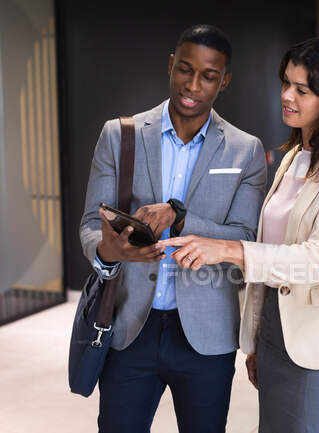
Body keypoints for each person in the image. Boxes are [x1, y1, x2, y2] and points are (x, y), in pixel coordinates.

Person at [159, 37, 319, 432]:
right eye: (285, 83)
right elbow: (272, 253)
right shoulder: (293, 158)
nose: (287, 96)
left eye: (302, 90)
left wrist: (228, 250)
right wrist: (256, 341)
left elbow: (317, 260)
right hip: (276, 338)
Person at [79, 24, 267, 433]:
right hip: (129, 327)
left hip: (206, 335)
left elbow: (246, 240)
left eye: (208, 76)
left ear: (224, 81)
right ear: (170, 65)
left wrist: (180, 219)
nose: (193, 85)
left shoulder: (245, 149)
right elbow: (92, 226)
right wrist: (113, 253)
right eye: (185, 69)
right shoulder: (120, 135)